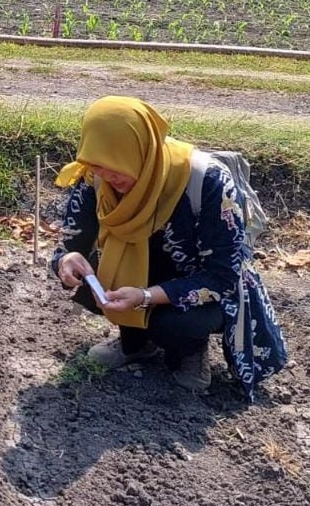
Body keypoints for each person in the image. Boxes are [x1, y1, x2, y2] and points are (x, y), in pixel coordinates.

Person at [51, 96, 287, 399]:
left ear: (140, 151)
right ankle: (135, 343)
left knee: (177, 322)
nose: (108, 176)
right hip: (138, 276)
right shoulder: (94, 177)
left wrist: (146, 296)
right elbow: (72, 243)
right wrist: (67, 260)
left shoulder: (207, 181)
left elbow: (222, 277)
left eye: (117, 165)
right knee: (88, 280)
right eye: (98, 165)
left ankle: (189, 350)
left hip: (199, 286)